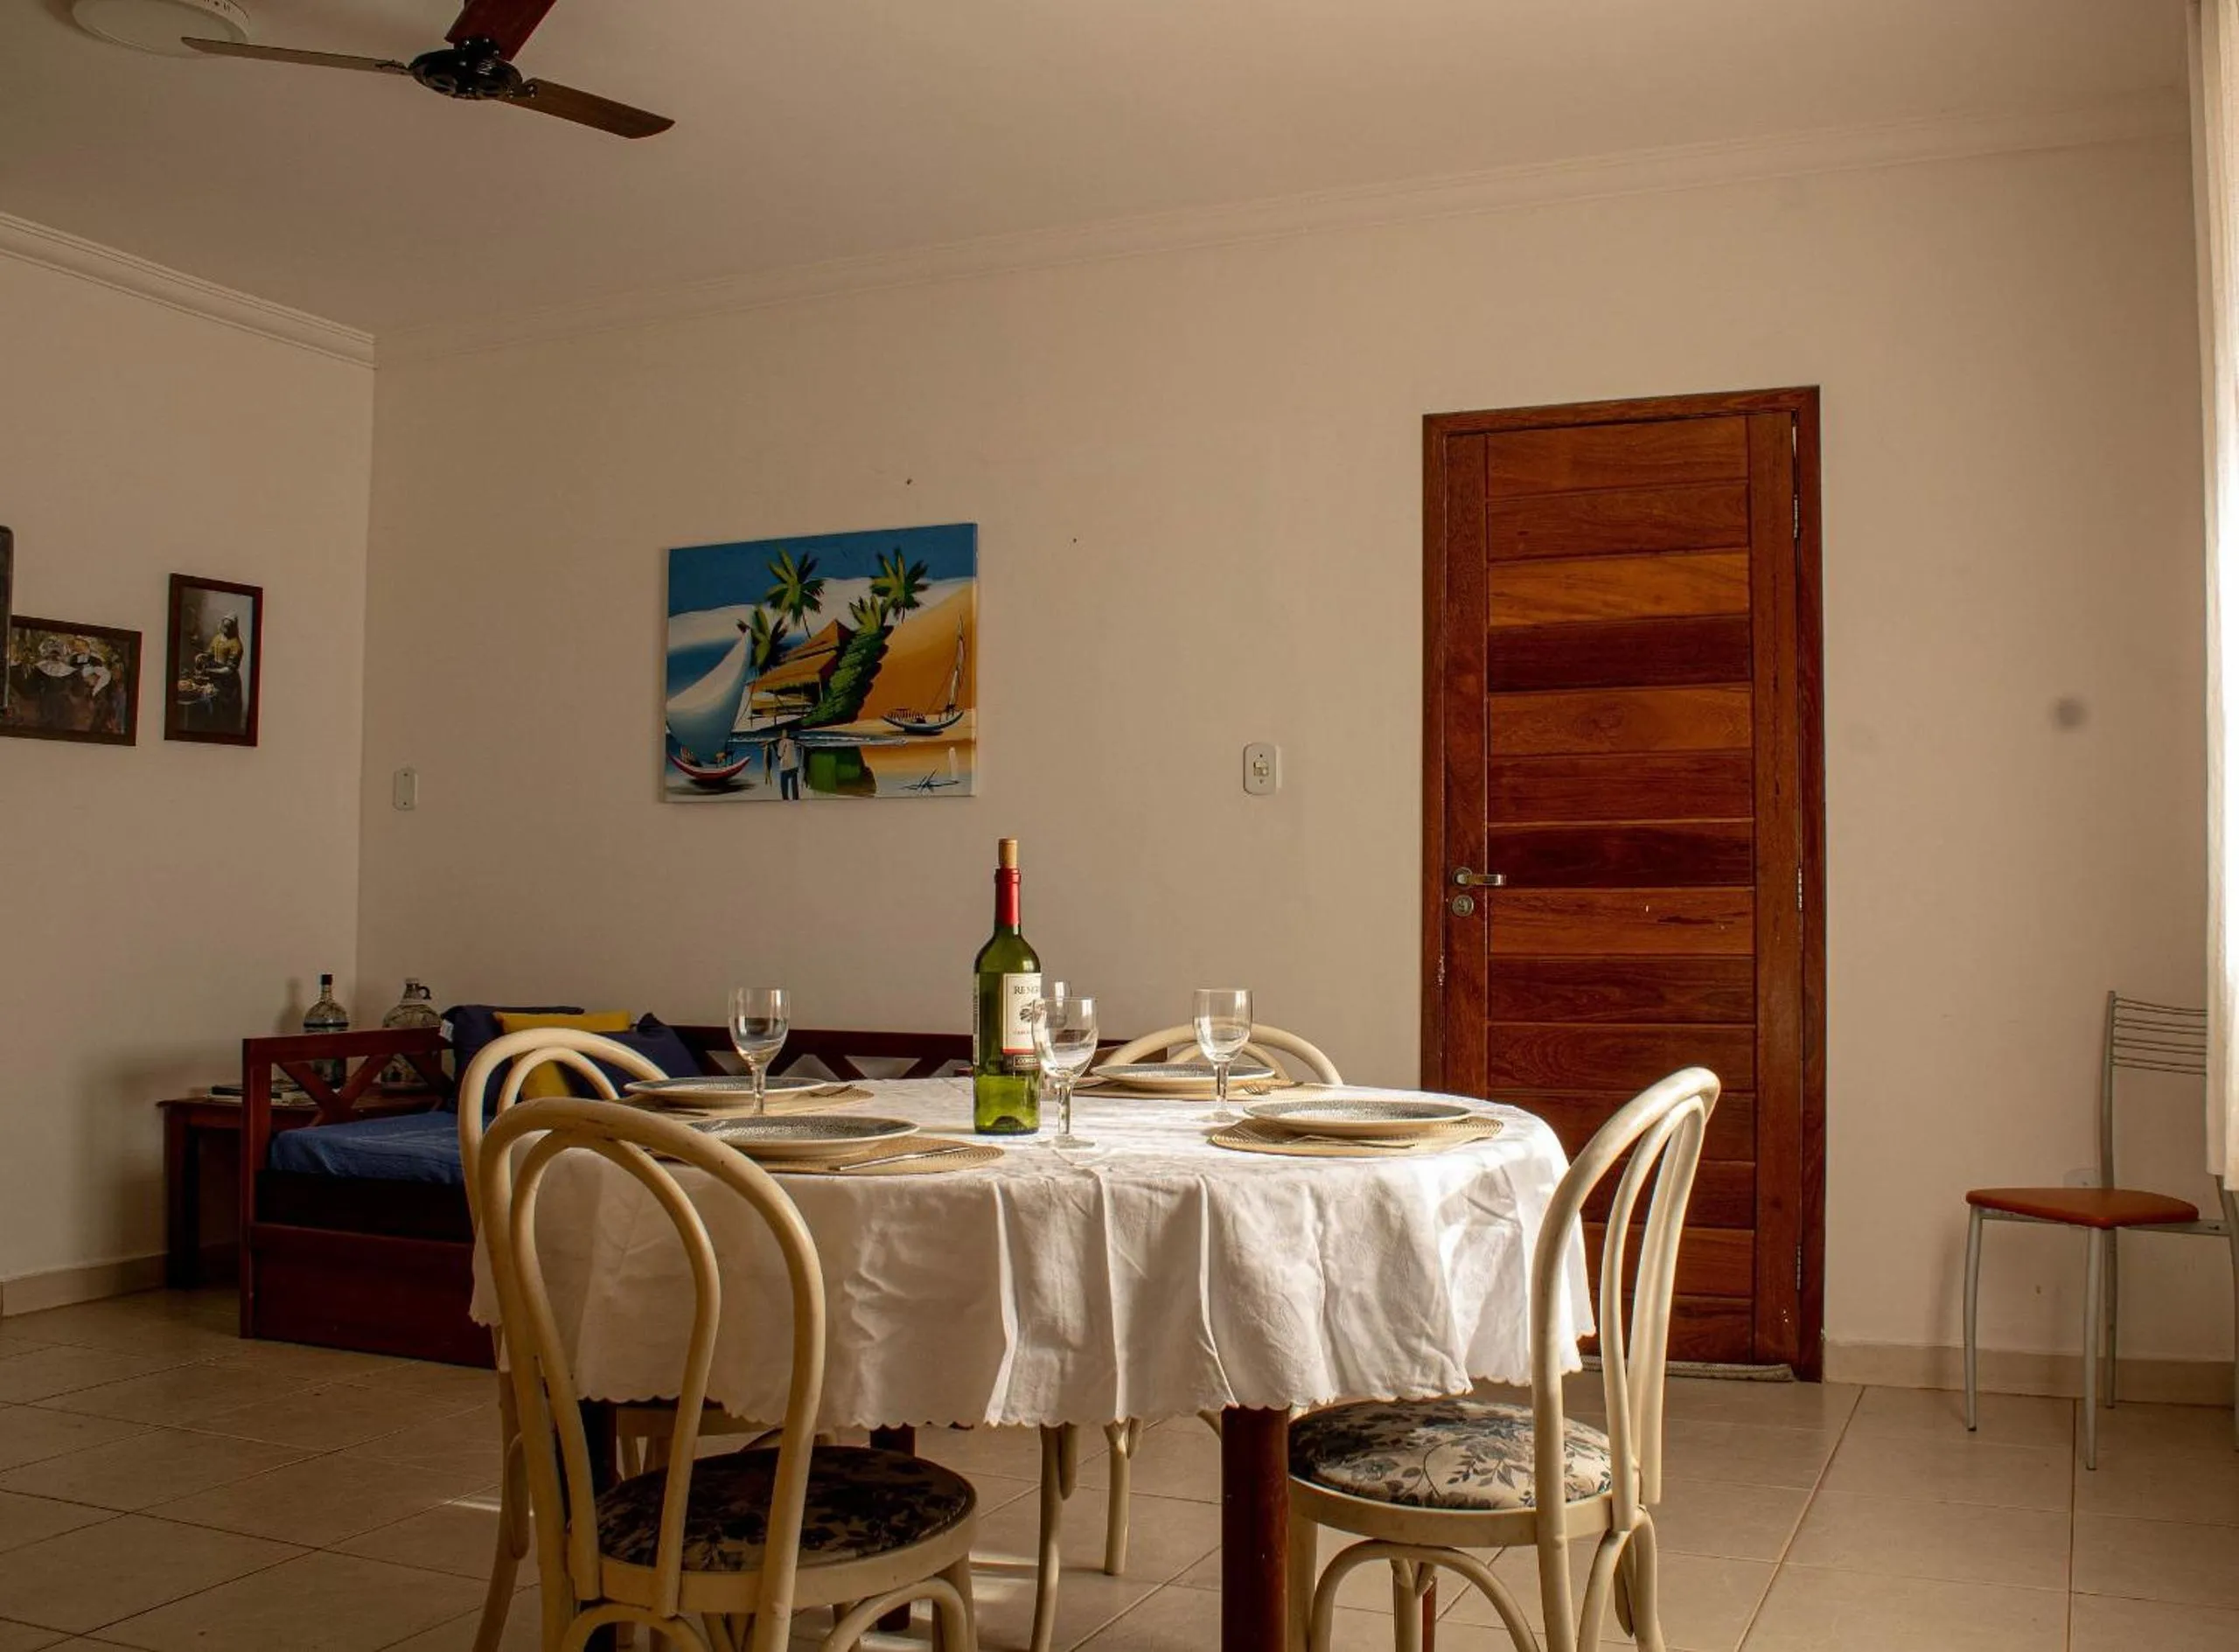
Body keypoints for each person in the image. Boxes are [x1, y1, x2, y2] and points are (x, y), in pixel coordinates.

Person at [776, 728, 802, 800]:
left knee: (784, 785)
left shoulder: (782, 742)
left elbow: (779, 755)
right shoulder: (792, 742)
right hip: (794, 765)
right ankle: (795, 798)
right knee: (794, 785)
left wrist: (775, 747)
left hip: (785, 766)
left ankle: (786, 799)